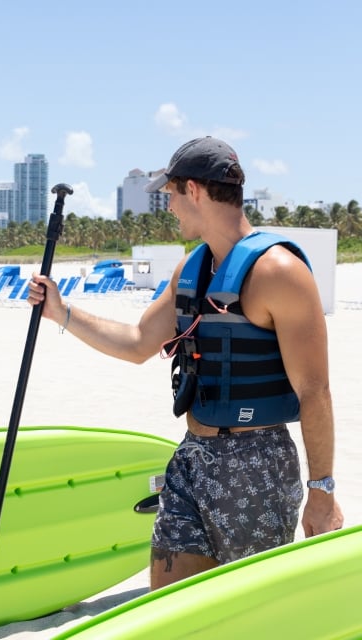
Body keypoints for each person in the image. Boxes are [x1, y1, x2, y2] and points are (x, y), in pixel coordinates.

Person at [28, 137, 344, 590]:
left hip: (257, 464)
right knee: (169, 603)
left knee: (244, 609)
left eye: (171, 194)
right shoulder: (190, 269)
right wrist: (62, 313)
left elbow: (315, 390)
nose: (169, 206)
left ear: (194, 190)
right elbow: (138, 342)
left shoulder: (279, 272)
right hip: (192, 459)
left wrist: (322, 491)